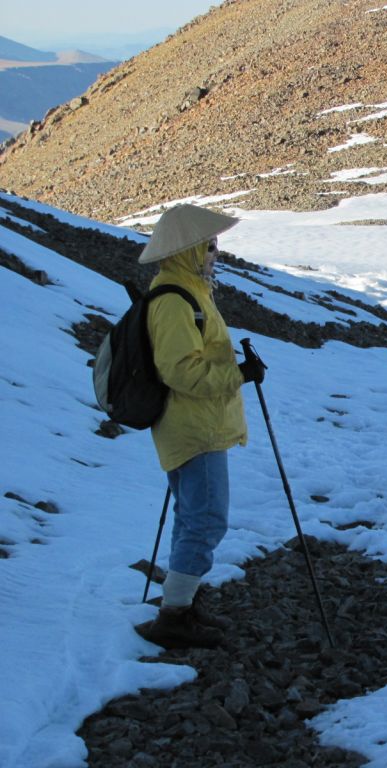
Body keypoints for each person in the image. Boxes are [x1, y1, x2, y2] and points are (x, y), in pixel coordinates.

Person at [136, 204, 265, 649]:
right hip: (194, 427)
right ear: (188, 248)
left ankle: (181, 604)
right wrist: (239, 374)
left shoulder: (189, 290)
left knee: (192, 517)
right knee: (206, 520)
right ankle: (174, 618)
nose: (215, 252)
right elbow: (181, 371)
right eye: (208, 245)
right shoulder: (175, 299)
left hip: (195, 424)